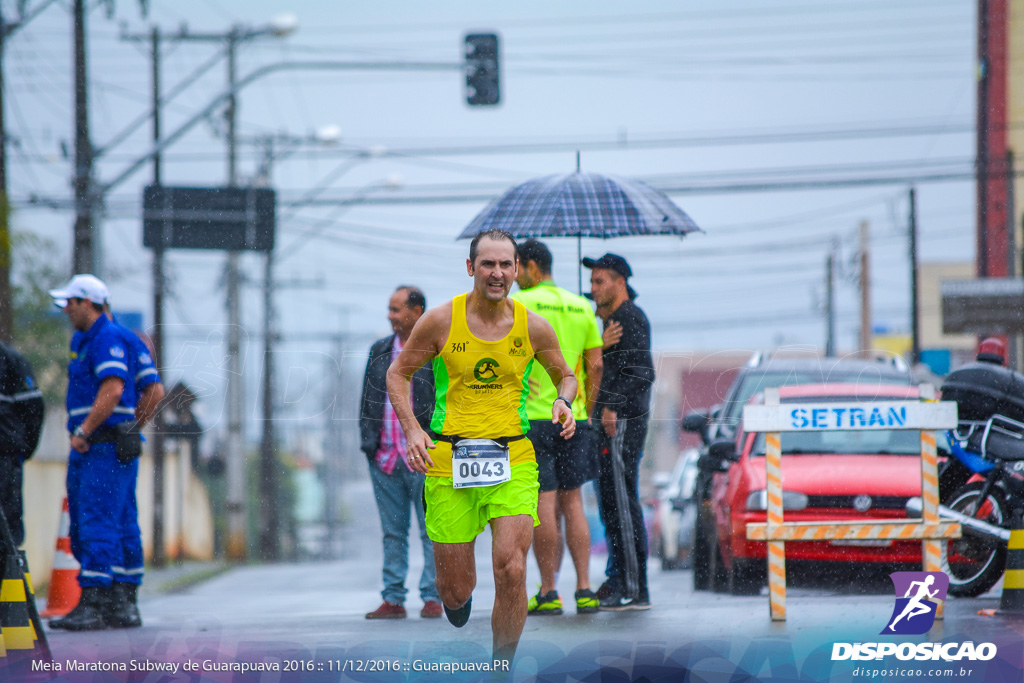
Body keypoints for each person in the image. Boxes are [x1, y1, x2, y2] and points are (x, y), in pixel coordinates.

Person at [386, 228, 577, 662]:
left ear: (516, 270)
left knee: (511, 568)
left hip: (512, 456)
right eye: (487, 264)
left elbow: (565, 374)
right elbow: (397, 373)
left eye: (505, 264)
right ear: (471, 268)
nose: (497, 273)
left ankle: (501, 667)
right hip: (448, 459)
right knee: (454, 592)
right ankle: (458, 598)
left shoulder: (533, 326)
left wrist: (564, 402)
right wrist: (414, 430)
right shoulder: (438, 321)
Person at [51, 287, 166, 629]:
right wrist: (132, 428)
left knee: (94, 519)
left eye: (69, 303)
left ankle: (94, 602)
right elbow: (154, 390)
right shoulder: (123, 338)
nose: (65, 310)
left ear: (88, 302)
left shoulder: (106, 337)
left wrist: (85, 430)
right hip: (115, 443)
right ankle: (123, 601)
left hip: (99, 445)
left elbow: (114, 388)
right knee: (121, 520)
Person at [512, 239, 603, 616]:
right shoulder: (582, 306)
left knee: (543, 504)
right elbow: (595, 366)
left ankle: (549, 592)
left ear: (532, 266)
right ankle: (585, 588)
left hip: (534, 418)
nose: (512, 277)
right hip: (575, 416)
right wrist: (586, 410)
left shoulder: (520, 306)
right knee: (574, 501)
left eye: (516, 268)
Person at [359, 285, 442, 620]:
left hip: (426, 456)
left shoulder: (436, 349)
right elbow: (367, 400)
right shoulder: (380, 350)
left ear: (416, 311)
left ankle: (433, 596)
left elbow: (443, 400)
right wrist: (370, 444)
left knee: (431, 530)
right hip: (385, 459)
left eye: (396, 309)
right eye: (390, 309)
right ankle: (393, 598)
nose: (390, 316)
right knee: (393, 532)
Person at [583, 253, 655, 611]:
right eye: (592, 281)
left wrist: (610, 405)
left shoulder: (629, 318)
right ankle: (617, 578)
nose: (593, 288)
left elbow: (642, 372)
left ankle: (634, 586)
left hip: (622, 422)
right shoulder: (609, 322)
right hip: (604, 422)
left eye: (600, 281)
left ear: (619, 282)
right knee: (610, 503)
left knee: (623, 503)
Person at [0, 342, 44, 547]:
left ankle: (9, 575)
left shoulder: (10, 360)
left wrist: (19, 452)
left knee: (7, 533)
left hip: (5, 461)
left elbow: (34, 411)